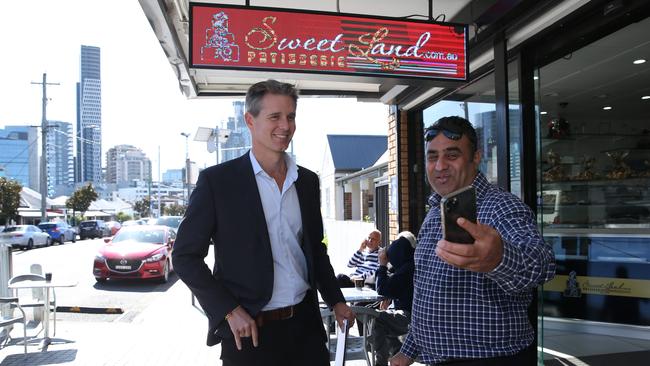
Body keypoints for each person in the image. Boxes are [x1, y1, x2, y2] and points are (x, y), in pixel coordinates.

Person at [172, 79, 355, 366]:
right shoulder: (218, 182)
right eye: (274, 117)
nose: (285, 125)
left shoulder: (307, 181)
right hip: (251, 334)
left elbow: (315, 250)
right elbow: (184, 256)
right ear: (250, 120)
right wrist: (228, 310)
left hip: (306, 329)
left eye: (291, 116)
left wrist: (336, 300)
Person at [391, 116, 556, 366]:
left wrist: (499, 258)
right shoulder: (435, 212)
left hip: (493, 359)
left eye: (452, 155)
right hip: (436, 359)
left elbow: (542, 264)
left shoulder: (501, 207)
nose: (440, 166)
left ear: (476, 157)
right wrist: (410, 348)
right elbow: (427, 292)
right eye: (432, 156)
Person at [371, 231, 416, 366]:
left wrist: (382, 265)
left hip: (411, 317)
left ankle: (381, 363)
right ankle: (397, 351)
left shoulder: (406, 270)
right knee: (386, 317)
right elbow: (389, 287)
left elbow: (382, 289)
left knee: (378, 319)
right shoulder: (410, 265)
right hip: (413, 313)